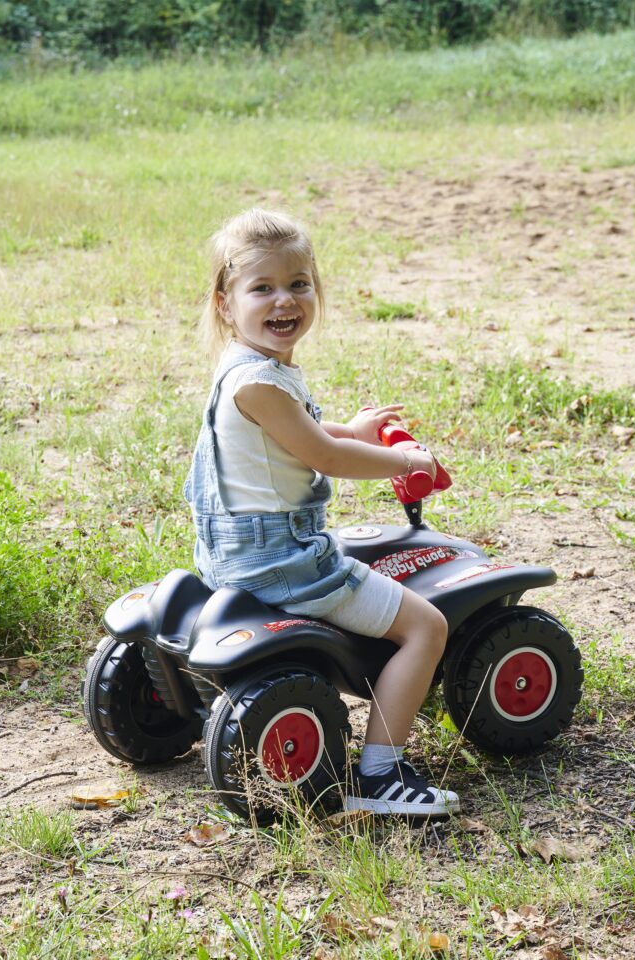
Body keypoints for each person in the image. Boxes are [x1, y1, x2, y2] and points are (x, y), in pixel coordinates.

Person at [184, 208, 459, 817]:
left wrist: (355, 428)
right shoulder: (260, 381)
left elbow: (298, 432)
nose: (284, 299)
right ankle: (381, 776)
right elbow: (325, 455)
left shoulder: (244, 365)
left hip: (232, 552)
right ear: (226, 303)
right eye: (263, 288)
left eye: (298, 283)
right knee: (426, 627)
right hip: (282, 561)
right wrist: (403, 461)